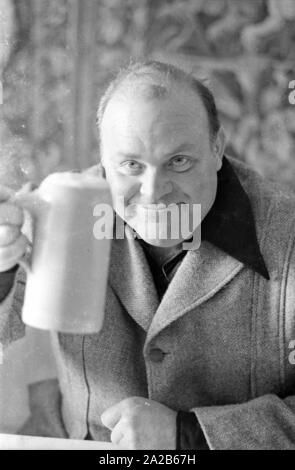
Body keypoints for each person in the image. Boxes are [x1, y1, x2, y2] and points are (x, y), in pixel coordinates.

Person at [0, 60, 295, 450]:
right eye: (131, 165)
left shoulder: (287, 234)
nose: (154, 191)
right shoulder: (63, 208)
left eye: (178, 161)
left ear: (217, 148)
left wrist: (191, 435)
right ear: (104, 159)